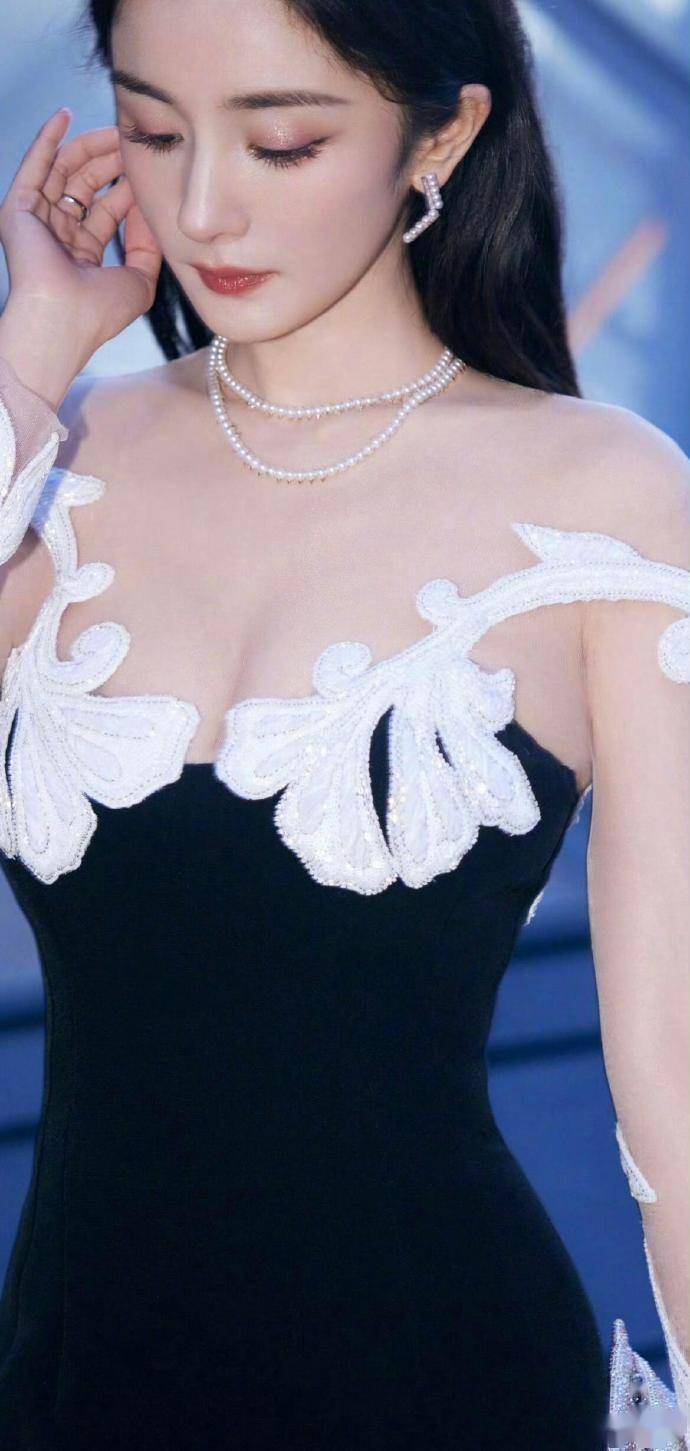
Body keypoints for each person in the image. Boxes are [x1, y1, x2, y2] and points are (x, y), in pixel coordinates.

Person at [0, 0, 688, 1446]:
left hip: (451, 1384)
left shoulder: (605, 502)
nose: (201, 207)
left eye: (282, 143)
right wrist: (33, 355)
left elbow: (678, 1092)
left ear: (442, 133)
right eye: (152, 131)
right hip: (72, 1384)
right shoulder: (57, 466)